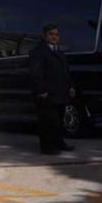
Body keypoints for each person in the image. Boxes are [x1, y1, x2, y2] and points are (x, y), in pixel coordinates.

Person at [29, 23, 75, 154]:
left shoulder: (59, 52)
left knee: (59, 120)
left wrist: (70, 86)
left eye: (56, 34)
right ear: (44, 36)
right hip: (46, 94)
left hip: (60, 93)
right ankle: (47, 147)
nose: (54, 37)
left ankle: (59, 143)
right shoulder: (38, 52)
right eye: (51, 34)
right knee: (47, 121)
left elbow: (65, 71)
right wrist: (41, 90)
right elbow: (36, 73)